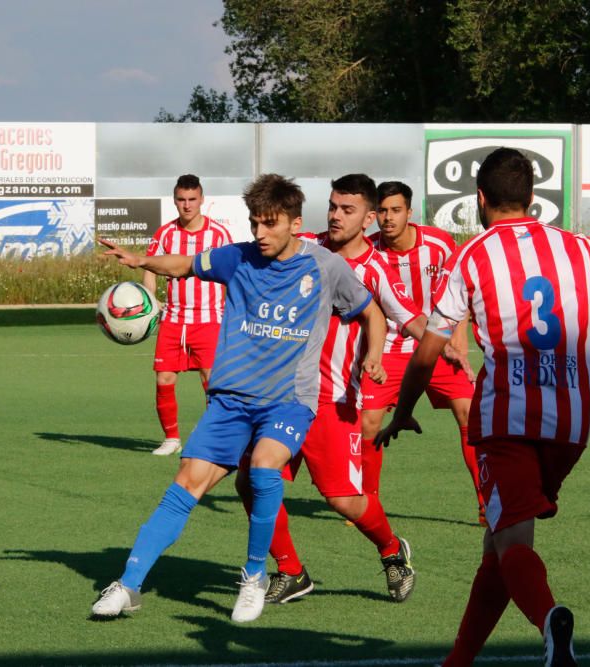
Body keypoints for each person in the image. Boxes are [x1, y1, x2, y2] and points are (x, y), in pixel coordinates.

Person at [377, 148, 590, 666]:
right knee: (500, 546)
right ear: (533, 199)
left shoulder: (473, 255)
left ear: (479, 199)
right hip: (572, 421)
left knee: (511, 545)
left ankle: (550, 621)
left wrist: (404, 408)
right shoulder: (577, 247)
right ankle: (457, 661)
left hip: (507, 417)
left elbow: (429, 348)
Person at [93, 173, 388, 623]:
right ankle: (129, 584)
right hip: (230, 400)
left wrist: (375, 354)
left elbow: (371, 313)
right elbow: (186, 264)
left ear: (294, 222)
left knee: (264, 468)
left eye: (270, 224)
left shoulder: (325, 266)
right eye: (254, 223)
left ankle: (254, 578)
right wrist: (141, 261)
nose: (260, 234)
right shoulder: (238, 258)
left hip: (288, 400)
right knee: (186, 484)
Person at [235, 174, 425, 606]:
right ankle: (291, 570)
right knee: (251, 481)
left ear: (370, 217)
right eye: (333, 206)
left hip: (331, 400)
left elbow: (407, 318)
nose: (336, 216)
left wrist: (444, 346)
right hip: (280, 394)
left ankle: (393, 552)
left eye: (348, 209)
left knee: (344, 500)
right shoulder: (304, 245)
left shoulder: (375, 268)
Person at [362, 181, 482, 522]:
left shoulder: (440, 244)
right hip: (390, 348)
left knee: (469, 415)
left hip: (439, 346)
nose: (388, 218)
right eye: (382, 211)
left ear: (409, 213)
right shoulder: (368, 251)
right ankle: (367, 503)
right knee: (368, 423)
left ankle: (486, 501)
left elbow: (461, 292)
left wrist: (459, 340)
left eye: (395, 210)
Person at [143, 174, 233, 456]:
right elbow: (150, 267)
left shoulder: (218, 235)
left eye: (192, 199)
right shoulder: (165, 234)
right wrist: (151, 299)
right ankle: (171, 439)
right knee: (164, 379)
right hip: (173, 318)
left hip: (208, 318)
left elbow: (231, 272)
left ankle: (212, 438)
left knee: (211, 381)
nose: (187, 205)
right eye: (181, 200)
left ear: (202, 200)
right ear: (174, 200)